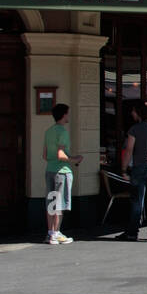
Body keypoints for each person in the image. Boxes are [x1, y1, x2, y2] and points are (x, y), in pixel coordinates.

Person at [118, 101, 147, 241]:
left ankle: (132, 232)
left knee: (137, 201)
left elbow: (129, 150)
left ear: (138, 113)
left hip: (139, 167)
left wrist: (124, 169)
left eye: (133, 111)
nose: (132, 113)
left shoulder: (134, 129)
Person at [42, 103, 82, 245]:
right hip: (62, 171)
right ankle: (57, 232)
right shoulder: (63, 132)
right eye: (68, 113)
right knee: (59, 203)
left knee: (51, 202)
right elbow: (61, 154)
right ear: (64, 114)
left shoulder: (49, 131)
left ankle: (50, 233)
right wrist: (75, 159)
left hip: (50, 169)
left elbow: (45, 155)